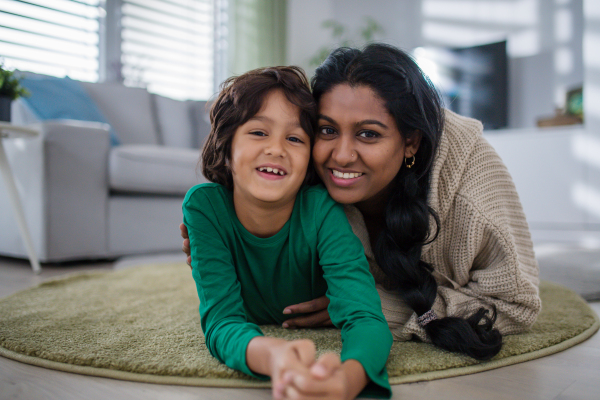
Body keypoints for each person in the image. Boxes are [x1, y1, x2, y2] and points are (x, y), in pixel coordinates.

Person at [182, 42, 541, 365]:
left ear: (411, 142)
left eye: (368, 134)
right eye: (326, 130)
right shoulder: (302, 165)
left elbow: (518, 304)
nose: (341, 155)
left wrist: (381, 306)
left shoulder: (470, 187)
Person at [182, 66, 393, 400]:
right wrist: (273, 355)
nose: (277, 149)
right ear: (226, 146)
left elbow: (365, 317)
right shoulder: (204, 207)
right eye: (258, 133)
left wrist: (348, 380)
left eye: (294, 139)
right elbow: (222, 323)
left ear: (309, 158)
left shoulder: (321, 210)